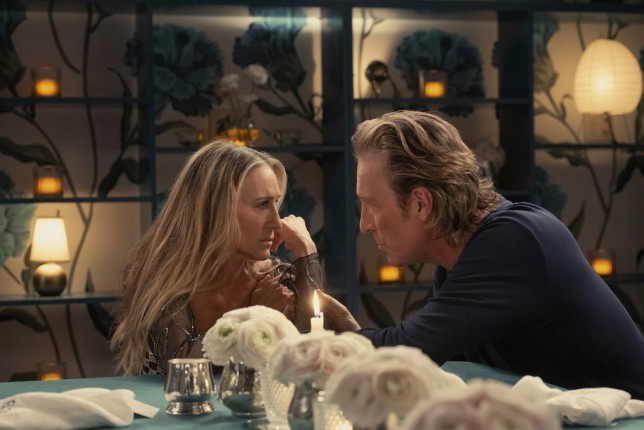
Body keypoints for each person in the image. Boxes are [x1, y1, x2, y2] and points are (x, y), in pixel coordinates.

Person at [322, 110, 644, 400]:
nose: (365, 224)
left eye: (373, 205)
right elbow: (430, 364)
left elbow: (409, 351)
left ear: (421, 203)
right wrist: (349, 333)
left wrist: (328, 335)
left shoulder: (514, 242)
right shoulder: (459, 255)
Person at [110, 140, 322, 375]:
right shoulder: (166, 279)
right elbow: (183, 370)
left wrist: (306, 253)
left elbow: (309, 357)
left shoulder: (274, 277)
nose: (276, 221)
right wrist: (255, 316)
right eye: (262, 204)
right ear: (217, 210)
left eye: (275, 203)